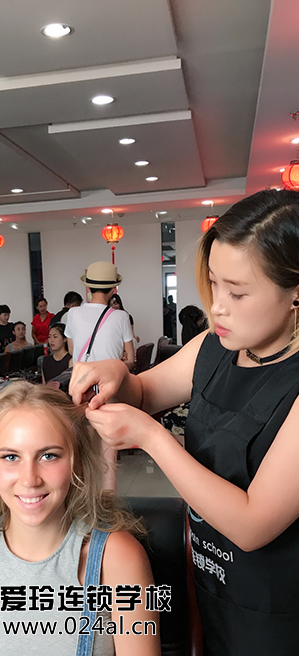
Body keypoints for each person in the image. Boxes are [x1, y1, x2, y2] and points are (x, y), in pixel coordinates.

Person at [69, 189, 299, 655]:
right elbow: (144, 392)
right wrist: (118, 375)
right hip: (214, 585)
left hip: (278, 608)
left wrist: (153, 438)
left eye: (237, 292)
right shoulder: (213, 347)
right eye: (214, 284)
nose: (218, 307)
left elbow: (252, 524)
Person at [0, 382, 160, 656]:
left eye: (48, 456)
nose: (29, 479)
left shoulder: (117, 558)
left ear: (76, 460)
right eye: (11, 456)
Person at [65, 262, 134, 367]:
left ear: (88, 287)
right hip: (110, 375)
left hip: (83, 376)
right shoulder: (122, 316)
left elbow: (72, 350)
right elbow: (130, 359)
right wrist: (118, 354)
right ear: (113, 289)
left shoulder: (72, 313)